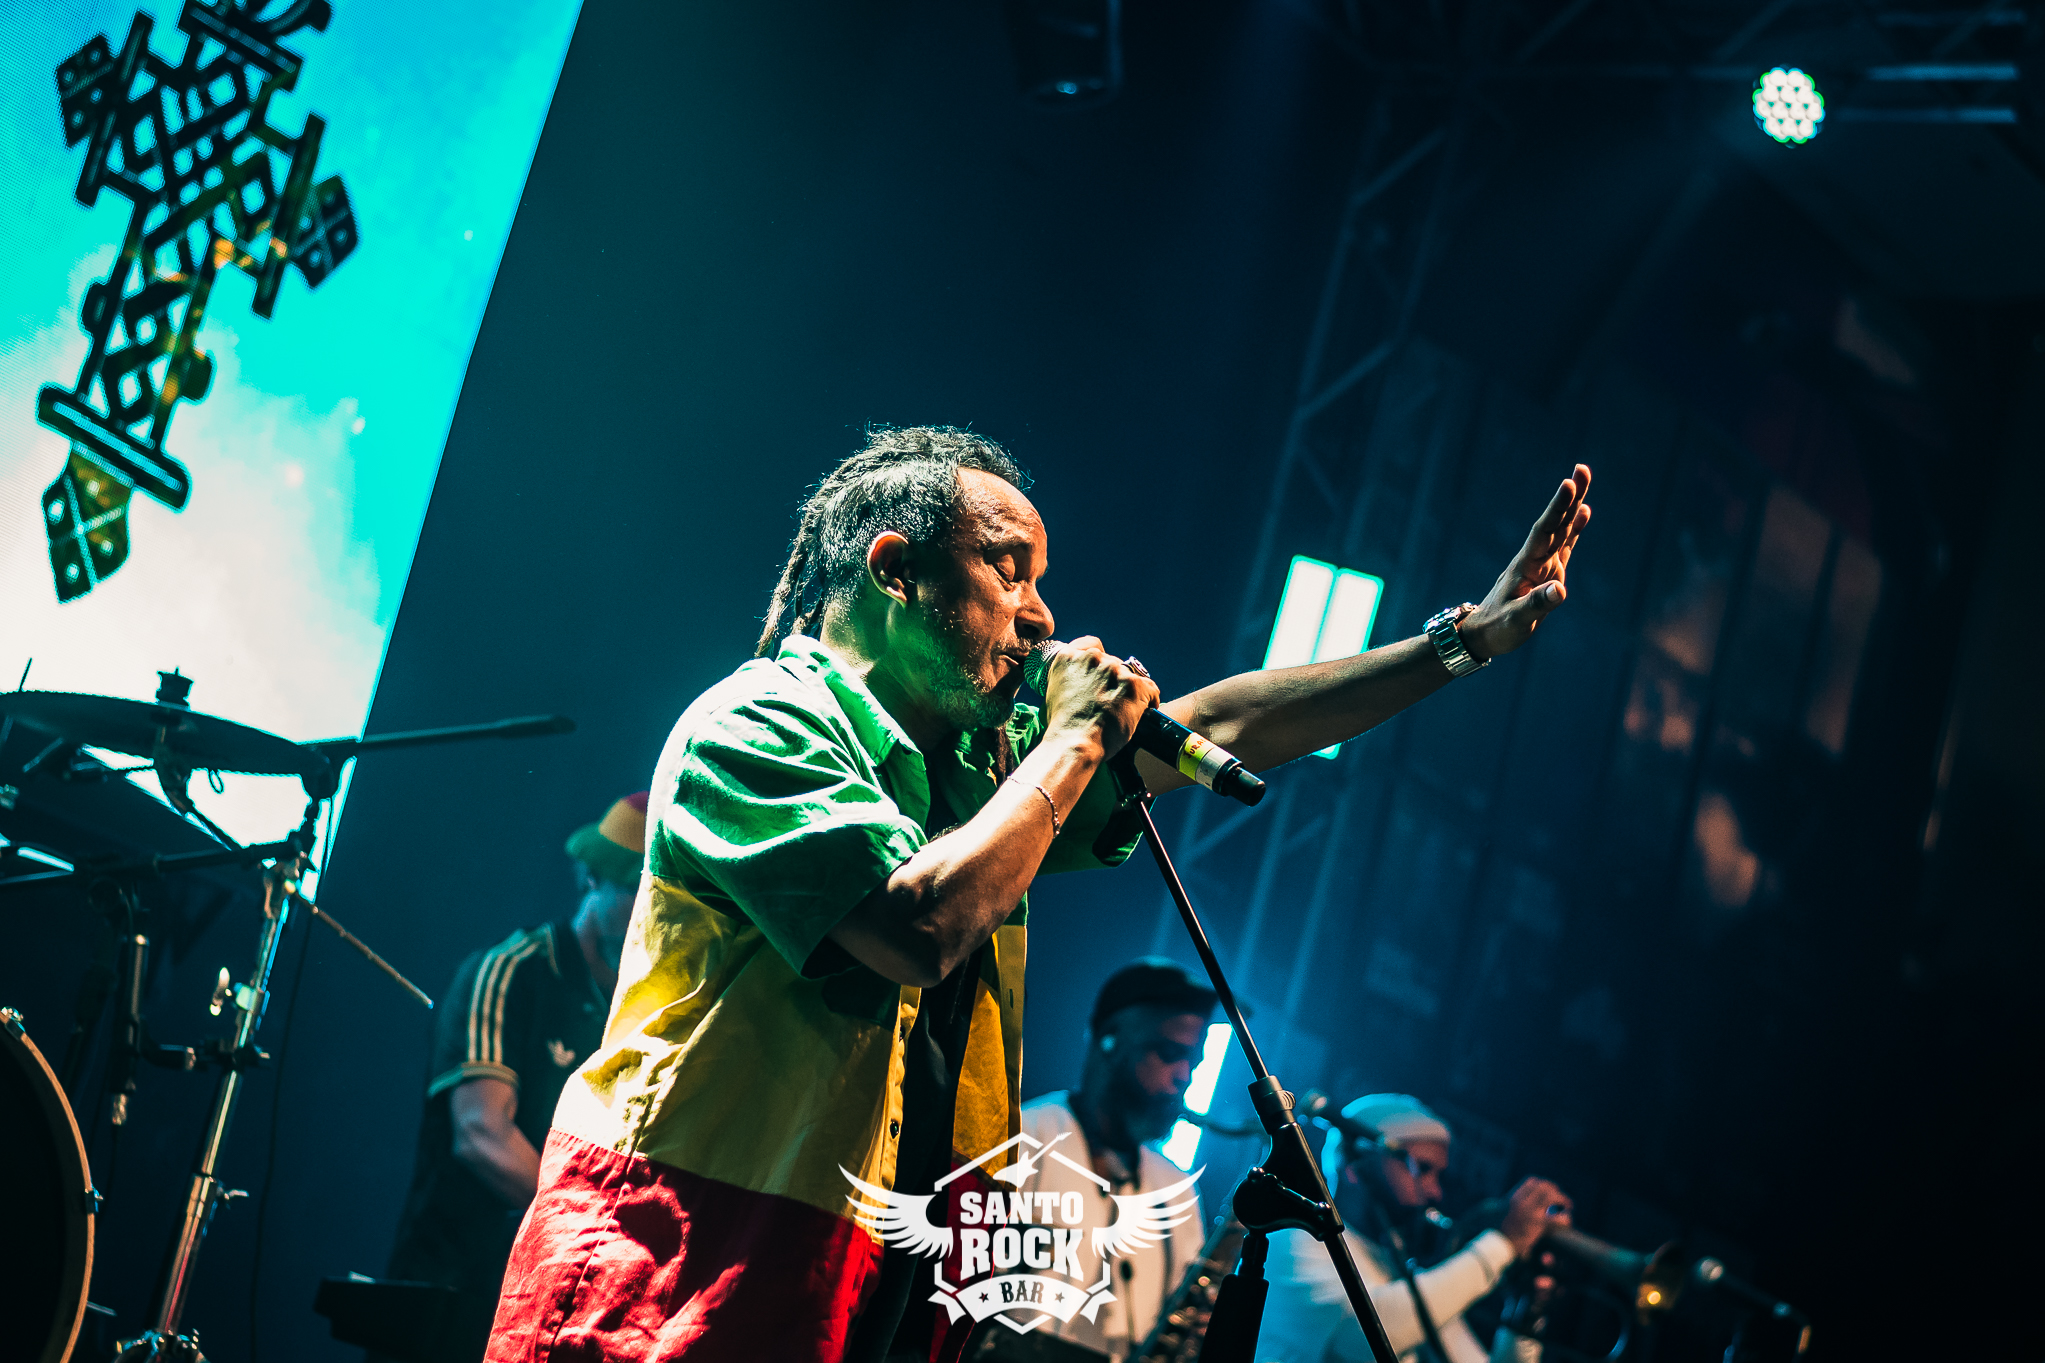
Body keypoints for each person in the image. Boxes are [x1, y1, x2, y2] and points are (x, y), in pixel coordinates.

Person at [487, 425, 1593, 1363]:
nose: (1040, 616)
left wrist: (1458, 644)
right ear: (893, 570)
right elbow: (916, 925)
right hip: (677, 1252)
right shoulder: (758, 720)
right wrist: (1071, 743)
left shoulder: (980, 772)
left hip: (865, 1272)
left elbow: (1223, 720)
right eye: (1007, 569)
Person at [382, 793, 647, 1361]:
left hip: (554, 1303)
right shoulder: (513, 970)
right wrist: (597, 1233)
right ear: (591, 877)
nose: (648, 910)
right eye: (634, 889)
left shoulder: (642, 1014)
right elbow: (481, 1133)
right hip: (452, 1290)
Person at [1258, 1094, 1569, 1363]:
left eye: (1438, 1176)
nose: (1435, 1192)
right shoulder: (1295, 1241)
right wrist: (1503, 1244)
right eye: (1422, 1169)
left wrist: (1524, 1316)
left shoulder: (1404, 1274)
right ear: (1355, 1167)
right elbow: (1363, 1339)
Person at [1019, 958, 1221, 1360]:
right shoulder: (1023, 1137)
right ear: (1110, 1038)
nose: (1184, 1076)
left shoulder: (1178, 1190)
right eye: (1169, 1053)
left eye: (1193, 1062)